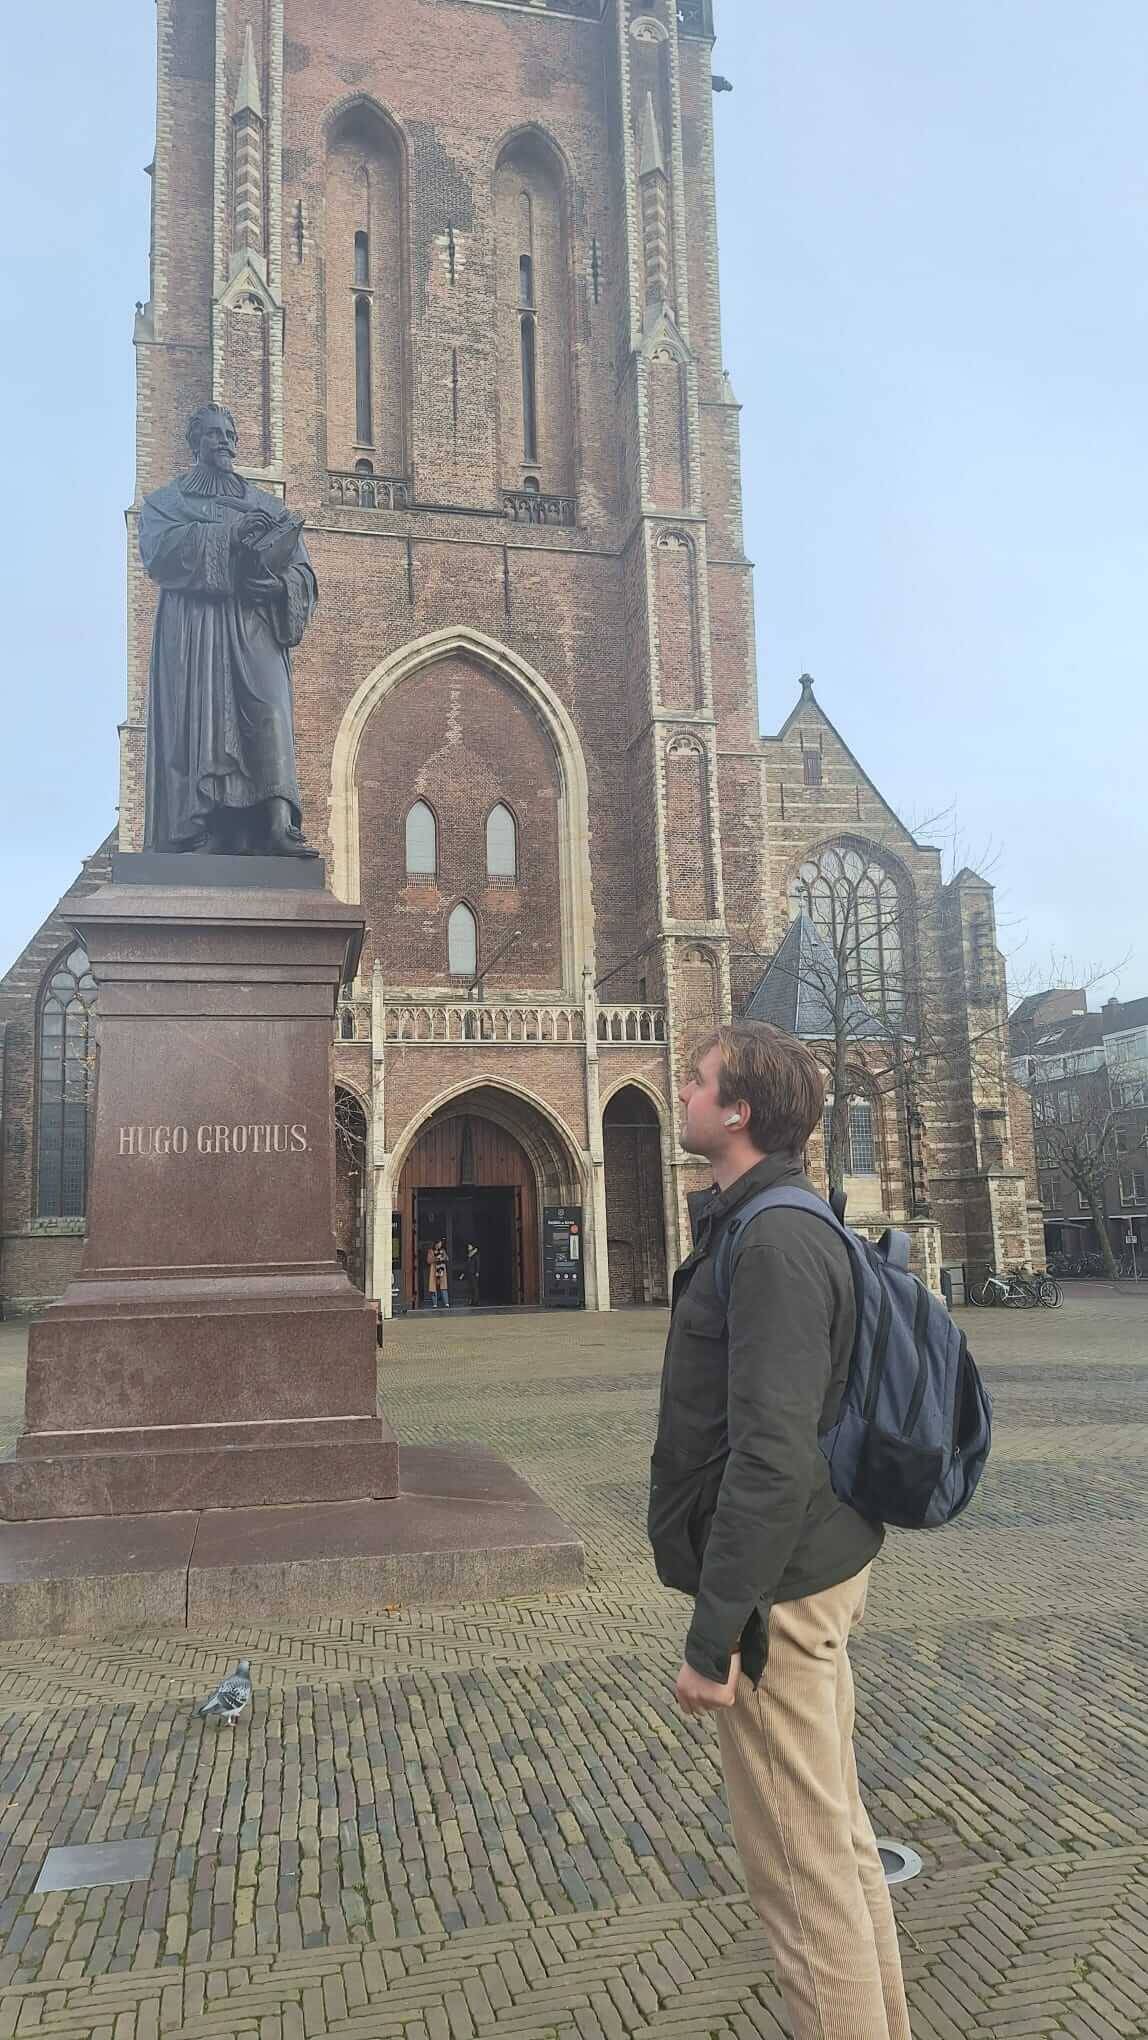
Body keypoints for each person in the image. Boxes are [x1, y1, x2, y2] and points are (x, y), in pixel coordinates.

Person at [648, 1023, 911, 2040]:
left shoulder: (777, 1237)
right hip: (799, 1574)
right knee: (834, 1852)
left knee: (801, 1886)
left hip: (779, 1600)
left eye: (695, 1078)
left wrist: (714, 1637)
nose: (680, 1089)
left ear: (738, 1109)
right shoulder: (757, 1224)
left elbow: (770, 1452)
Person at [139, 404, 318, 857]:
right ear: (194, 441)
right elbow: (158, 552)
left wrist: (279, 585)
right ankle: (204, 829)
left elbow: (303, 572)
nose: (226, 441)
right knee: (203, 721)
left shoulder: (267, 505)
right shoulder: (168, 502)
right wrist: (230, 537)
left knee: (269, 709)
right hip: (196, 626)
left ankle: (278, 826)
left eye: (232, 434)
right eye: (215, 434)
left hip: (255, 622)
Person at [426, 1238, 450, 1309]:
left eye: (441, 1243)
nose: (440, 1244)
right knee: (433, 1287)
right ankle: (435, 1304)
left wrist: (443, 1257)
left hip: (441, 1270)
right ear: (436, 1244)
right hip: (433, 1270)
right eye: (439, 1243)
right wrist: (436, 1259)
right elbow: (428, 1261)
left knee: (443, 1287)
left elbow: (447, 1258)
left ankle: (446, 1303)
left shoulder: (443, 1251)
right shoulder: (431, 1251)